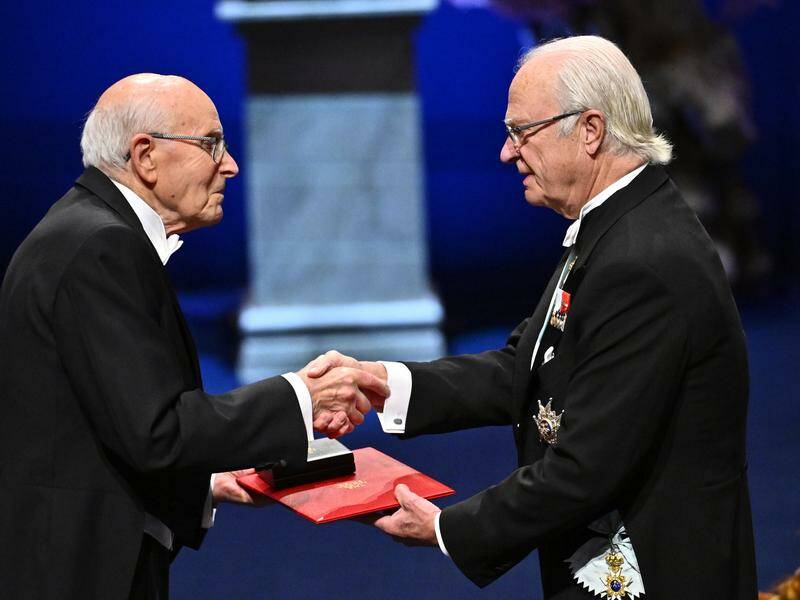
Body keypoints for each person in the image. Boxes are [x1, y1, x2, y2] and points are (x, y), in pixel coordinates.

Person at [308, 36, 757, 598]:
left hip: (658, 572)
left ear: (590, 130)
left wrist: (448, 528)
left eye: (521, 131)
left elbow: (584, 468)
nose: (506, 152)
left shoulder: (643, 259)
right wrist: (388, 385)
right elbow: (526, 367)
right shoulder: (618, 224)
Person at [0, 74, 388, 600]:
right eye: (211, 144)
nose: (229, 165)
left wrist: (205, 479)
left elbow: (103, 427)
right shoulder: (100, 246)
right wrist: (302, 395)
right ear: (146, 157)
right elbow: (155, 431)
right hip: (80, 570)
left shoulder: (87, 231)